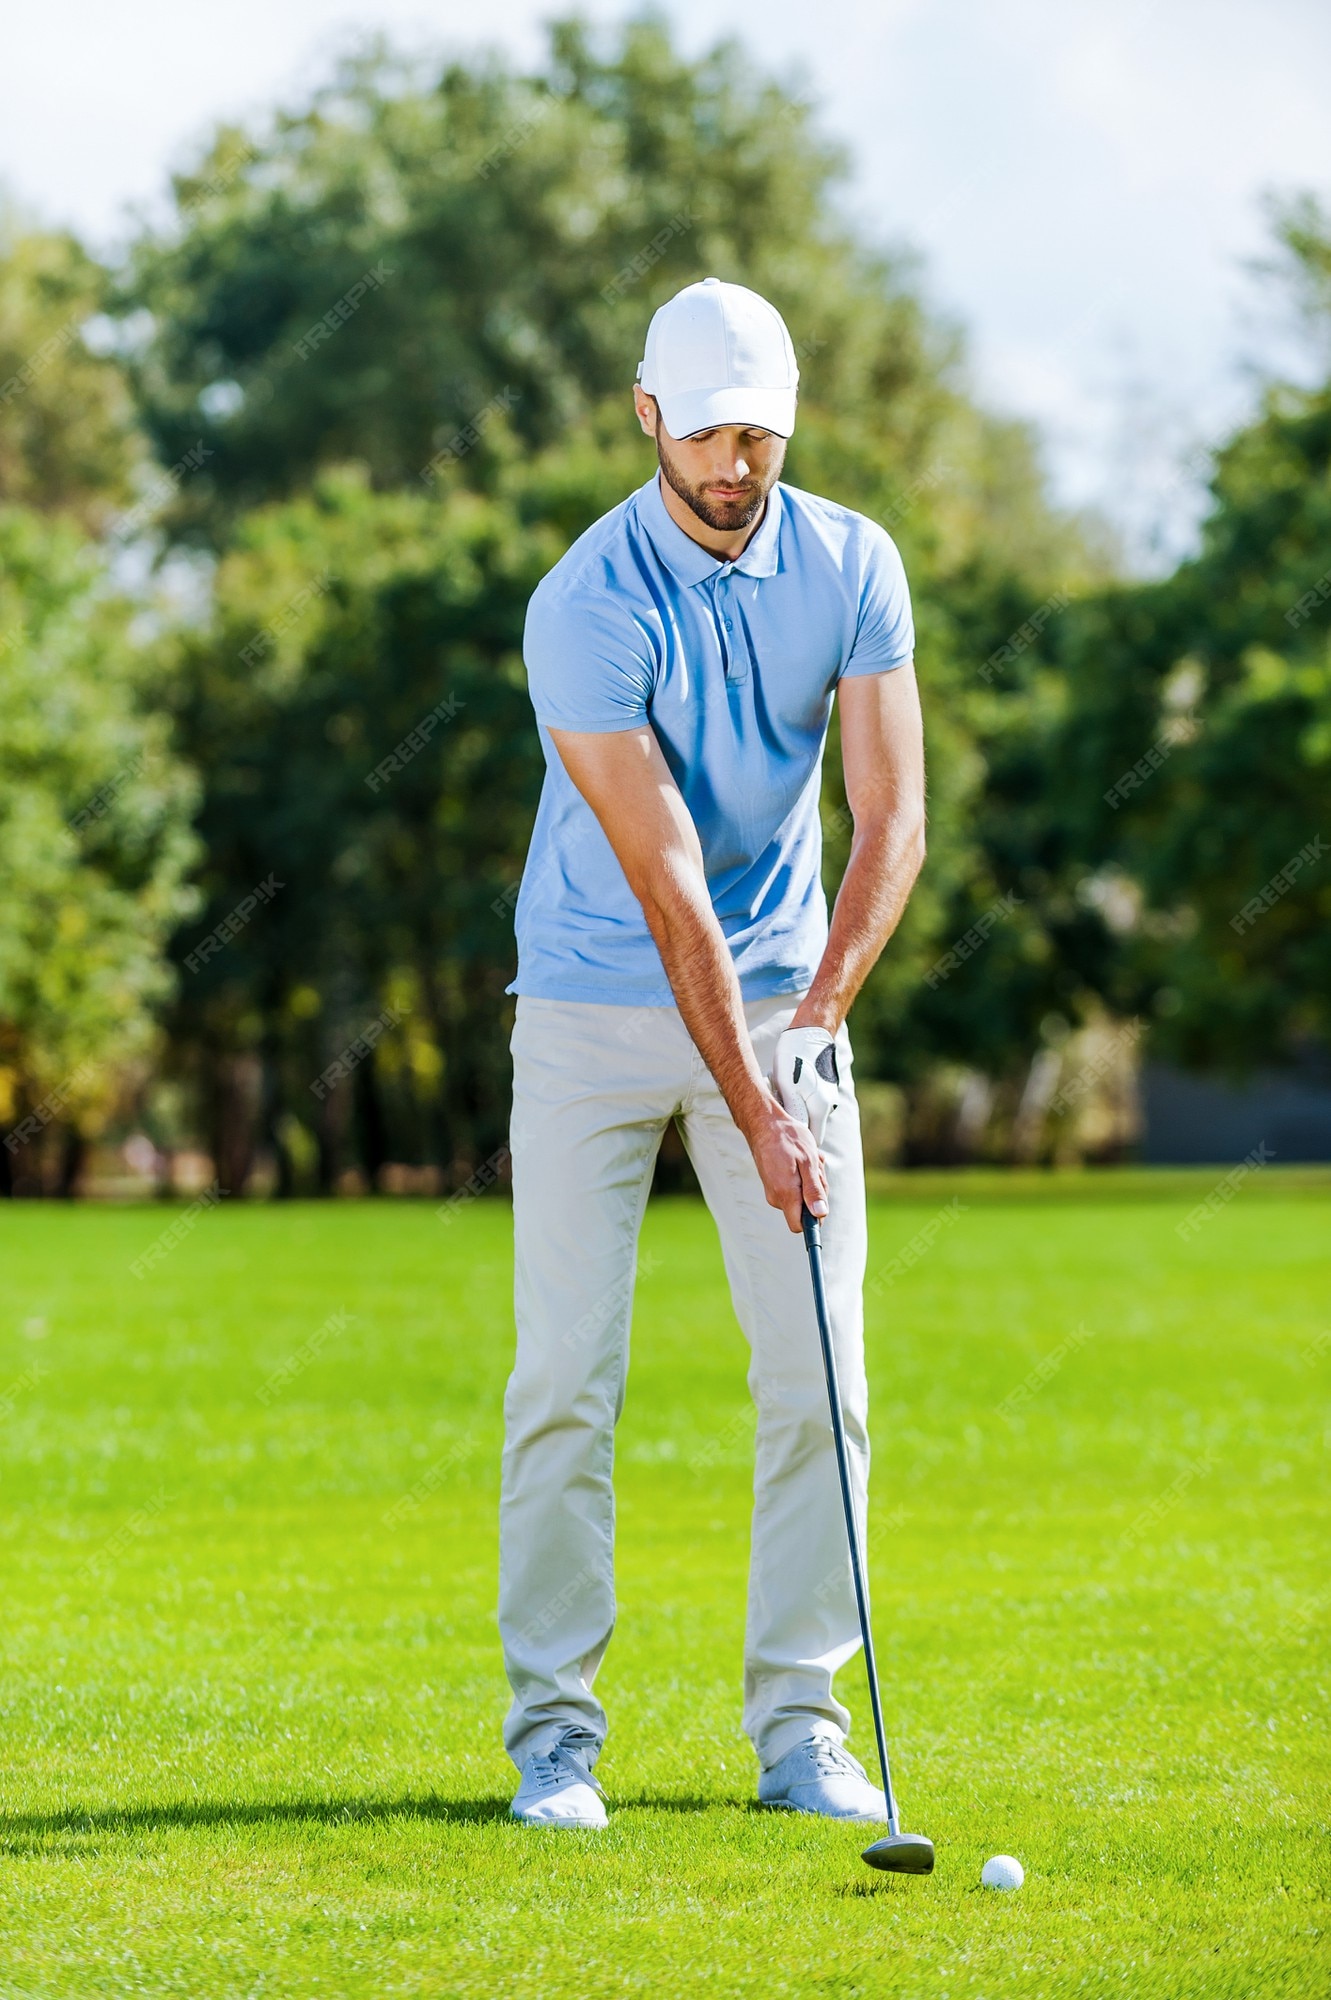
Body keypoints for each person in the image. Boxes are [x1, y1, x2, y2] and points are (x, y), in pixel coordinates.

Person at [500, 276, 926, 1829]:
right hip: (594, 1009)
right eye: (707, 435)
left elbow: (893, 818)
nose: (736, 466)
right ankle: (556, 1740)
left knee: (823, 1376)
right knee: (567, 1378)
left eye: (762, 435)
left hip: (782, 1006)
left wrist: (811, 1030)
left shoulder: (853, 563)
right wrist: (754, 1104)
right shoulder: (586, 600)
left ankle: (802, 1730)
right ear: (646, 418)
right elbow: (668, 883)